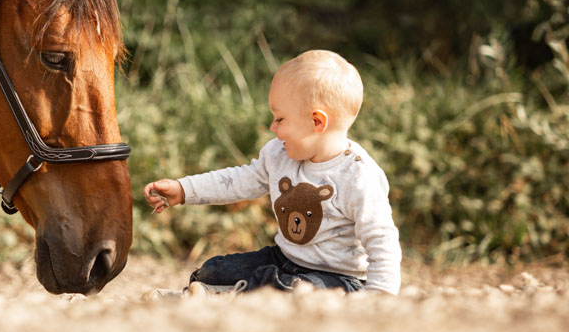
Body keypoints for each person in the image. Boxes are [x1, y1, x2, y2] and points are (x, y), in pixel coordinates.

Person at [143, 50, 401, 295]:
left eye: (280, 119)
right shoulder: (278, 154)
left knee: (296, 290)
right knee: (213, 270)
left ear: (316, 122)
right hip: (283, 259)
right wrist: (184, 189)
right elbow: (236, 181)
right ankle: (214, 291)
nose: (272, 127)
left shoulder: (358, 176)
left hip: (336, 278)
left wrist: (379, 296)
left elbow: (380, 237)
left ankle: (222, 296)